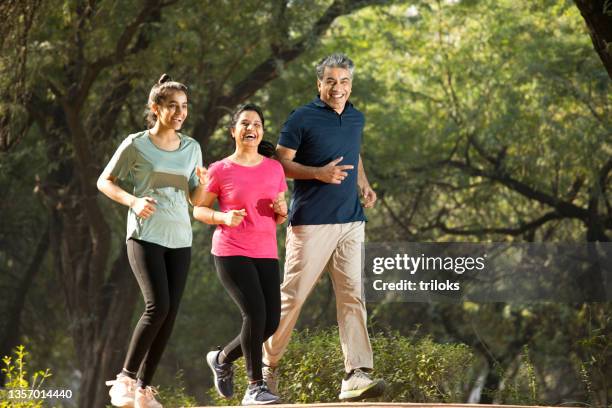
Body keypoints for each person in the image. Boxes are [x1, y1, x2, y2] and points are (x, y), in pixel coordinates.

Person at [261, 53, 385, 401]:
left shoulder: (356, 117)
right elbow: (280, 164)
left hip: (351, 222)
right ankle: (265, 371)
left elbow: (353, 153)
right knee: (293, 298)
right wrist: (318, 173)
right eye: (330, 81)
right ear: (319, 84)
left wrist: (364, 183)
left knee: (353, 297)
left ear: (351, 84)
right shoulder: (302, 117)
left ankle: (356, 373)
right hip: (311, 223)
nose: (338, 88)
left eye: (344, 81)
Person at [98, 74, 206, 408]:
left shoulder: (192, 147)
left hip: (180, 237)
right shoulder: (136, 144)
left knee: (169, 313)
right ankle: (126, 379)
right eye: (172, 105)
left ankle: (144, 390)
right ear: (155, 108)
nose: (179, 112)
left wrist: (205, 183)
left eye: (184, 106)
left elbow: (196, 200)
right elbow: (105, 181)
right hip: (145, 236)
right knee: (157, 305)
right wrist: (133, 201)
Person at [194, 104, 288, 405]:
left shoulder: (274, 168)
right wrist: (222, 218)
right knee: (255, 313)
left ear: (261, 131)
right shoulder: (221, 169)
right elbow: (199, 209)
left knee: (271, 322)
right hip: (231, 250)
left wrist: (281, 213)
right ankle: (254, 387)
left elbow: (280, 210)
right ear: (234, 131)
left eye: (257, 124)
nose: (252, 128)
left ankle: (221, 358)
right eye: (245, 123)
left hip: (266, 251)